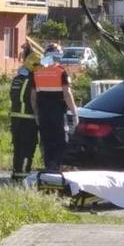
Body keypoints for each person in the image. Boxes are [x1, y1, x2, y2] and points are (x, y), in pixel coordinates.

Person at [31, 43, 79, 173]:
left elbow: (33, 97)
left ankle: (49, 168)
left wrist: (36, 114)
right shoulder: (61, 72)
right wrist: (75, 113)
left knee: (47, 142)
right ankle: (59, 169)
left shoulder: (37, 72)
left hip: (43, 113)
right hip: (58, 113)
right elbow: (67, 94)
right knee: (60, 141)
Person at [10, 52, 40, 179]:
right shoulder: (33, 80)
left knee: (18, 147)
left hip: (15, 117)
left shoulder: (17, 78)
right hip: (28, 118)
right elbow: (31, 99)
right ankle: (24, 175)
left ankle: (17, 173)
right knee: (28, 148)